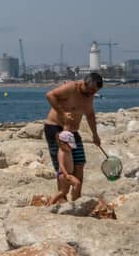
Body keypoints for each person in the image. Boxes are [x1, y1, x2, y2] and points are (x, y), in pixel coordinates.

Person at [44, 72, 103, 206]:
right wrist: (62, 113)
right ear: (84, 83)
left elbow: (90, 115)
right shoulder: (71, 87)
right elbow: (50, 95)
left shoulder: (90, 95)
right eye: (91, 90)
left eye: (95, 91)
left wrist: (95, 134)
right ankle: (62, 197)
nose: (92, 93)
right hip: (55, 128)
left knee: (80, 162)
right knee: (62, 166)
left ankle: (76, 196)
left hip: (73, 132)